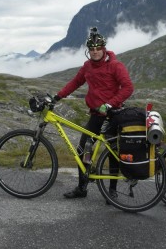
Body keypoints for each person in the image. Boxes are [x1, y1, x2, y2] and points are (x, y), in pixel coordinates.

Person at [54, 27, 134, 199]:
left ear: (104, 48)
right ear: (88, 50)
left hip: (113, 115)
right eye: (92, 49)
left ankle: (112, 191)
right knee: (83, 150)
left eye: (98, 48)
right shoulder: (87, 66)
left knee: (112, 151)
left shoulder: (115, 65)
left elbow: (128, 87)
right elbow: (75, 83)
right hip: (96, 116)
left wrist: (110, 104)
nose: (95, 52)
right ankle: (82, 188)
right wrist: (57, 96)